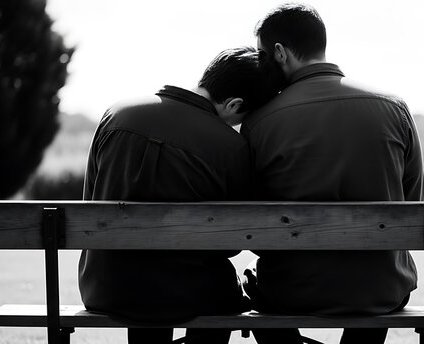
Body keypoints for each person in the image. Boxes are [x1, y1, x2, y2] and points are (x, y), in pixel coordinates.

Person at [241, 3, 424, 344]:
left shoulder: (259, 122)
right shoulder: (394, 107)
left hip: (290, 290)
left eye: (262, 56)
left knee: (258, 287)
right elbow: (412, 206)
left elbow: (250, 222)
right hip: (382, 288)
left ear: (279, 53)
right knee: (371, 291)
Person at [78, 46, 277, 344]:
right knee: (220, 290)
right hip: (191, 294)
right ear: (235, 104)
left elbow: (90, 203)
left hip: (105, 288)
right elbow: (234, 241)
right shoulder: (231, 148)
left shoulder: (117, 114)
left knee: (149, 282)